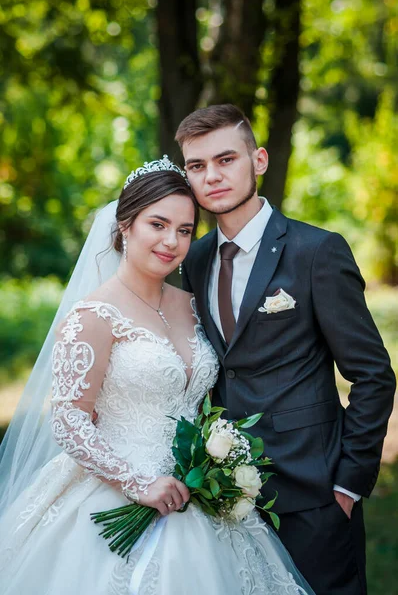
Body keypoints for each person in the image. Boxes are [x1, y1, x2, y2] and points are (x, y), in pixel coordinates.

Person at [0, 156, 314, 595]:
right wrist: (137, 483)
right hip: (115, 489)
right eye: (158, 224)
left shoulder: (192, 305)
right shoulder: (93, 316)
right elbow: (68, 420)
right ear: (125, 225)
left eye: (185, 230)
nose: (172, 242)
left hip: (196, 489)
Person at [177, 104, 396, 595]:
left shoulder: (316, 251)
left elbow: (373, 375)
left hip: (314, 492)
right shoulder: (191, 260)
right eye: (197, 166)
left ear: (259, 160)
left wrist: (347, 485)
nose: (211, 176)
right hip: (223, 498)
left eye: (226, 159)